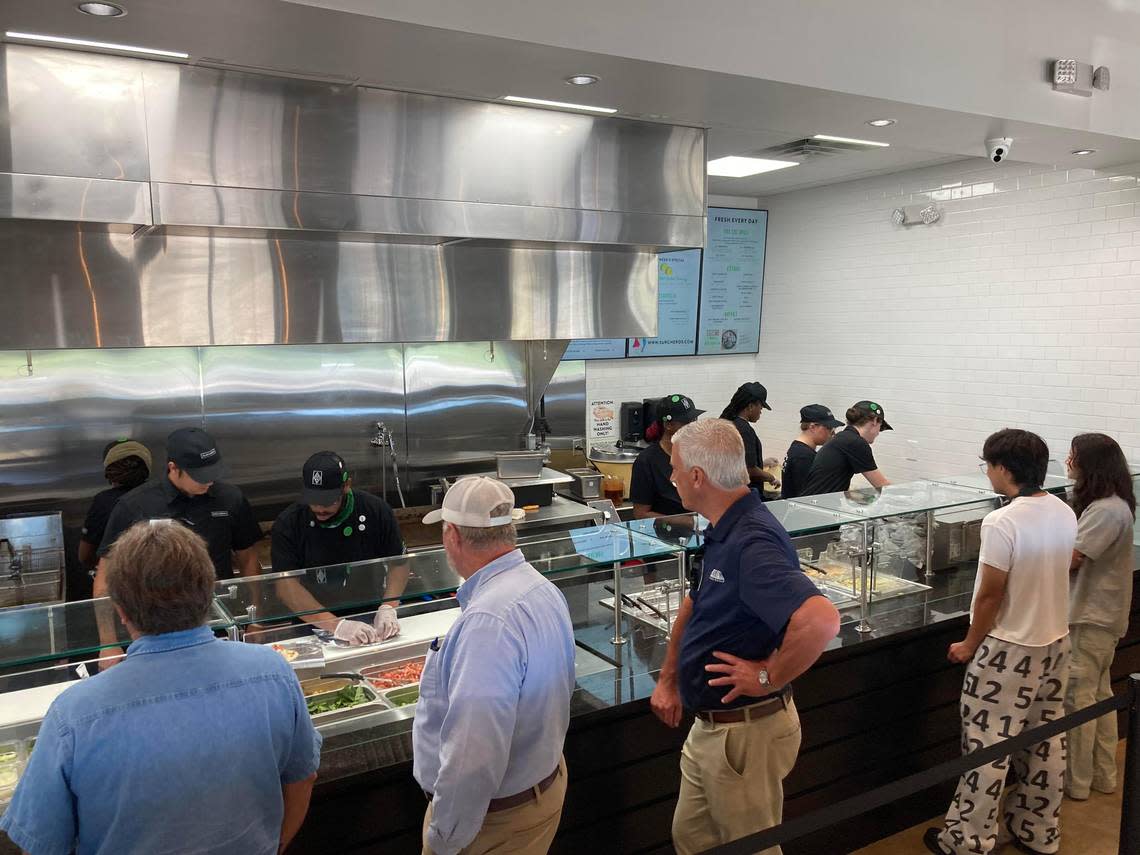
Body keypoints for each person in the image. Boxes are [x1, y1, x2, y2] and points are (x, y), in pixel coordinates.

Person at [0, 522, 322, 855]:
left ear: (121, 611)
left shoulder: (74, 713)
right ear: (209, 595)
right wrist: (275, 845)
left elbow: (40, 844)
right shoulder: (274, 671)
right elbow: (303, 777)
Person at [649, 419, 841, 855]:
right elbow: (695, 604)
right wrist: (670, 676)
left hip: (744, 738)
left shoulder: (752, 541)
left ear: (697, 477)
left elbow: (821, 620)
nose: (671, 476)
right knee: (693, 837)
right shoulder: (725, 526)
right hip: (712, 728)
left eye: (676, 468)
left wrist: (766, 678)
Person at [924, 429, 1077, 855]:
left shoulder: (1002, 520)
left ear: (1003, 469)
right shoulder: (1064, 511)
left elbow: (991, 593)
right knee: (1047, 741)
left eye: (988, 464)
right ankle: (1037, 830)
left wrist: (970, 644)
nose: (987, 472)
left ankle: (967, 841)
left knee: (986, 749)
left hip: (1009, 649)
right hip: (1056, 641)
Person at [413, 476, 576, 855]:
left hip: (493, 822)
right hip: (541, 790)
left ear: (451, 535)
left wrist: (444, 837)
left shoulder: (489, 621)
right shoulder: (540, 587)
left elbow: (473, 753)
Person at [1063, 433, 1136, 801]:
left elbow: (1072, 558)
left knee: (1078, 700)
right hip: (1100, 617)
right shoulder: (1112, 506)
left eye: (1072, 455)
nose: (1067, 461)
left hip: (1090, 618)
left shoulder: (1106, 510)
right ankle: (1102, 776)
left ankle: (1076, 783)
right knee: (1099, 696)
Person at [271, 451, 410, 646]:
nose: (319, 508)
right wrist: (336, 625)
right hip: (311, 627)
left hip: (371, 621)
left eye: (328, 501)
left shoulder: (376, 511)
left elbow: (400, 564)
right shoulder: (289, 523)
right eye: (313, 499)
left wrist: (388, 607)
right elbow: (286, 588)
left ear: (346, 486)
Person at [95, 427, 262, 582]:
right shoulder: (134, 505)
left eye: (214, 472)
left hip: (219, 602)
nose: (210, 481)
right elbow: (107, 573)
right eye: (201, 475)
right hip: (156, 606)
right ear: (173, 468)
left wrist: (255, 607)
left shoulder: (231, 498)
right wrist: (108, 615)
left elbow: (248, 558)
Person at [75, 439, 152, 598]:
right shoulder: (159, 495)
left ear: (110, 473)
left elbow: (85, 555)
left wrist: (103, 569)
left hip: (119, 587)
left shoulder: (103, 502)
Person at [631, 394, 704, 518]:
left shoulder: (698, 455)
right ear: (669, 425)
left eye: (694, 420)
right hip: (665, 535)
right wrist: (689, 523)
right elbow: (640, 513)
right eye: (688, 422)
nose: (694, 427)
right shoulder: (647, 461)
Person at [800, 400, 892, 496]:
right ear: (874, 421)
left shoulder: (843, 437)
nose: (878, 433)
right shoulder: (855, 442)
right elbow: (881, 485)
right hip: (817, 506)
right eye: (880, 428)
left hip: (813, 502)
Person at [719, 382, 779, 494]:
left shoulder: (727, 424)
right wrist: (771, 477)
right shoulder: (744, 430)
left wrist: (762, 463)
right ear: (751, 406)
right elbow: (749, 470)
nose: (761, 412)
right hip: (744, 495)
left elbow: (738, 462)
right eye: (761, 407)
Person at [780, 405, 844, 500]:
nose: (833, 433)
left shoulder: (798, 448)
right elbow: (809, 494)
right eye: (829, 428)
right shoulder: (803, 456)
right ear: (813, 427)